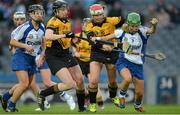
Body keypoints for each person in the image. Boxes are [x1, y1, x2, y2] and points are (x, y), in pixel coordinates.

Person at [37, 0, 86, 112]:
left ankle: (82, 108)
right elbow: (48, 36)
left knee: (80, 80)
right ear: (56, 11)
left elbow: (65, 39)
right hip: (54, 56)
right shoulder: (53, 22)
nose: (65, 11)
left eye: (66, 9)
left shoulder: (67, 21)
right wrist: (65, 35)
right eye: (62, 10)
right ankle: (43, 94)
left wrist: (72, 40)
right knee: (69, 84)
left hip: (65, 54)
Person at [0, 4, 45, 112]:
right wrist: (25, 46)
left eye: (41, 13)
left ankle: (5, 97)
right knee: (24, 84)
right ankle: (11, 106)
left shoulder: (43, 27)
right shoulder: (25, 27)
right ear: (31, 14)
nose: (40, 15)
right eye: (37, 13)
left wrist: (42, 55)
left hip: (33, 58)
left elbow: (43, 43)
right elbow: (12, 41)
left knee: (27, 84)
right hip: (21, 56)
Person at [113, 12, 158, 112]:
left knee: (140, 93)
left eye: (137, 26)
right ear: (128, 24)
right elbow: (108, 38)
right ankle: (121, 96)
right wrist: (100, 41)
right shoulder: (121, 32)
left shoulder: (142, 31)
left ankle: (137, 105)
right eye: (133, 26)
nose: (135, 28)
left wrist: (154, 25)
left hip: (138, 65)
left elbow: (152, 31)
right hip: (124, 61)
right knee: (128, 79)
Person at [83, 4, 124, 112]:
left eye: (100, 14)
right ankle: (92, 104)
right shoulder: (88, 26)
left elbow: (127, 24)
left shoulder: (112, 20)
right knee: (93, 81)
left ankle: (113, 96)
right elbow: (91, 40)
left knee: (113, 81)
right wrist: (102, 46)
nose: (98, 17)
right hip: (97, 52)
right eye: (96, 15)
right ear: (92, 15)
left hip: (112, 52)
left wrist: (124, 29)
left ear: (103, 13)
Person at [72, 18, 104, 109]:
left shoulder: (95, 38)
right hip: (79, 63)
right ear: (82, 26)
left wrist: (81, 55)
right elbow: (74, 51)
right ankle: (86, 97)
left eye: (88, 25)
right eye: (84, 24)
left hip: (91, 62)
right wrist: (75, 53)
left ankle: (98, 99)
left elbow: (98, 52)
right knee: (77, 83)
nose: (86, 26)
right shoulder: (77, 37)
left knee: (93, 83)